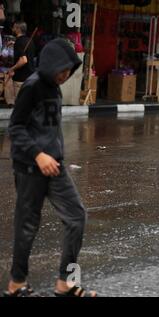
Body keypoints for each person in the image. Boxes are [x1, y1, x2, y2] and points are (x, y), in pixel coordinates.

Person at [5, 39, 96, 297]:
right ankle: (16, 284)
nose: (65, 75)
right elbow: (16, 127)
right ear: (50, 64)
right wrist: (38, 155)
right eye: (62, 69)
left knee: (76, 216)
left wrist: (52, 155)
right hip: (30, 167)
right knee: (27, 226)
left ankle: (64, 283)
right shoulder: (32, 87)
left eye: (69, 70)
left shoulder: (54, 87)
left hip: (55, 165)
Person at [6, 21, 35, 105]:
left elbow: (23, 60)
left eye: (14, 27)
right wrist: (14, 43)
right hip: (30, 76)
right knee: (28, 103)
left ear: (18, 29)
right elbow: (26, 52)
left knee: (21, 105)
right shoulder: (29, 41)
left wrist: (12, 69)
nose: (13, 29)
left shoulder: (19, 42)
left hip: (21, 79)